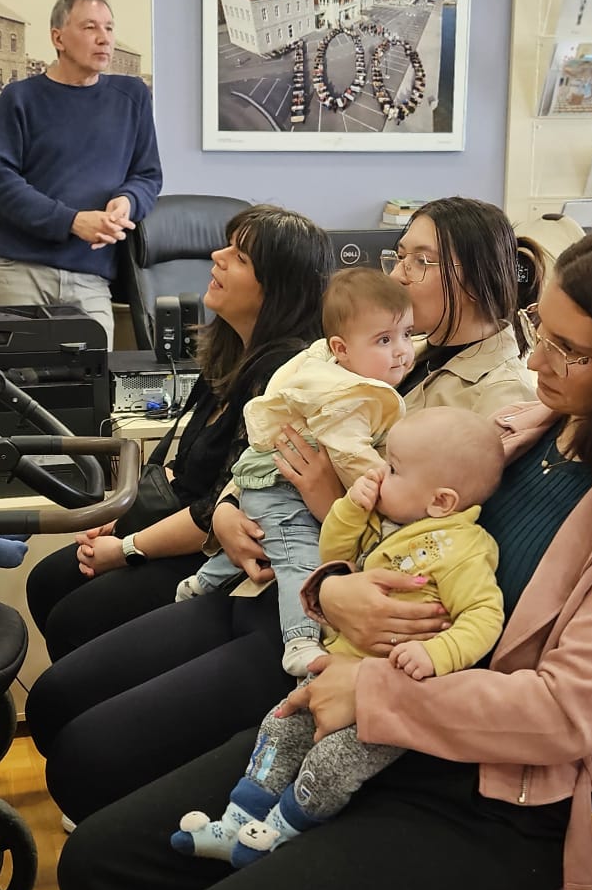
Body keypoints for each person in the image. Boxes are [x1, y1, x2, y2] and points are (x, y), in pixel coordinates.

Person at [57, 225, 592, 890]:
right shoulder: (524, 432)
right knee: (99, 863)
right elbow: (384, 538)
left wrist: (372, 690)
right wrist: (334, 587)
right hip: (365, 726)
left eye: (570, 351)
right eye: (542, 333)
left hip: (484, 800)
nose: (536, 361)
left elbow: (568, 714)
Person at [24, 197, 541, 823]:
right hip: (267, 578)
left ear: (477, 276)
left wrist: (321, 507)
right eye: (400, 255)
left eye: (422, 261)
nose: (401, 274)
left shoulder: (499, 401)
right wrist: (228, 507)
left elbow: (430, 550)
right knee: (58, 700)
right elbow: (276, 442)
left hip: (325, 623)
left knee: (86, 753)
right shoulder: (394, 345)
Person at [171, 408, 507, 865]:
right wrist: (351, 507)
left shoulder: (464, 549)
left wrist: (437, 654)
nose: (379, 473)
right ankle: (235, 820)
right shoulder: (389, 521)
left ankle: (278, 832)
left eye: (393, 469)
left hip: (393, 693)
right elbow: (332, 550)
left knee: (332, 762)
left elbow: (484, 616)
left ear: (442, 501)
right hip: (337, 666)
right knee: (279, 726)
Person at [22, 205, 329, 661]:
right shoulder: (230, 353)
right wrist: (126, 515)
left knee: (75, 619)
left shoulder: (284, 380)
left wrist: (126, 548)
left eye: (240, 257)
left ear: (278, 288)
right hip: (181, 523)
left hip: (215, 551)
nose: (217, 256)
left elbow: (222, 504)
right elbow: (186, 472)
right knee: (46, 582)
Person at [177, 269, 415, 676]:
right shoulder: (346, 397)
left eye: (407, 334)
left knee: (272, 539)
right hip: (282, 488)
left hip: (266, 479)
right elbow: (352, 458)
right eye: (384, 341)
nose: (402, 351)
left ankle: (204, 580)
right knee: (298, 559)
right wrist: (388, 489)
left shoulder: (324, 362)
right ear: (341, 348)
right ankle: (300, 641)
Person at [0, 0, 161, 348]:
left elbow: (147, 175)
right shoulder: (19, 98)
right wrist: (72, 221)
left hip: (91, 275)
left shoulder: (132, 96)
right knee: (15, 379)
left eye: (109, 28)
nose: (104, 38)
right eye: (90, 27)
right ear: (58, 38)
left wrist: (128, 201)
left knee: (93, 379)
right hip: (20, 271)